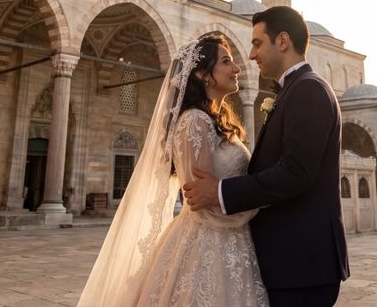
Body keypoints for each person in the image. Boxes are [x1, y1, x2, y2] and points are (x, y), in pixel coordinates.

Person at [78, 35, 268, 307]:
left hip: (229, 242)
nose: (237, 68)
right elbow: (203, 204)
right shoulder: (194, 121)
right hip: (209, 245)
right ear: (203, 75)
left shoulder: (212, 120)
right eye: (226, 62)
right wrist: (261, 199)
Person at [183, 6, 349, 306]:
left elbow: (295, 172)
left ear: (282, 41)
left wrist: (219, 191)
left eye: (257, 43)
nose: (250, 55)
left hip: (301, 265)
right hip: (289, 263)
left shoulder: (308, 90)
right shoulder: (295, 90)